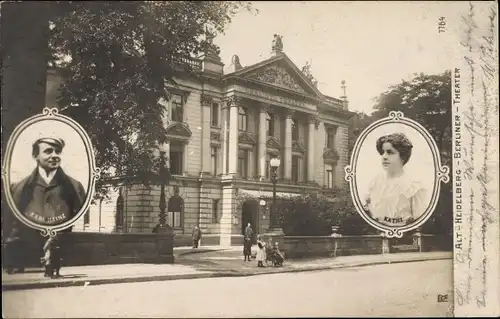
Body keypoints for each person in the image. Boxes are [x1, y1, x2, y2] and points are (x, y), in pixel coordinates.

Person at [10, 137, 87, 226]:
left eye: (57, 152)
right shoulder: (18, 189)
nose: (54, 155)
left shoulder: (76, 187)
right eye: (48, 151)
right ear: (35, 156)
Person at [362, 133, 428, 227]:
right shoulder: (375, 182)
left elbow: (419, 222)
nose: (384, 157)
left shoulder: (415, 185)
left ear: (402, 157)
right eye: (383, 152)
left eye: (390, 152)